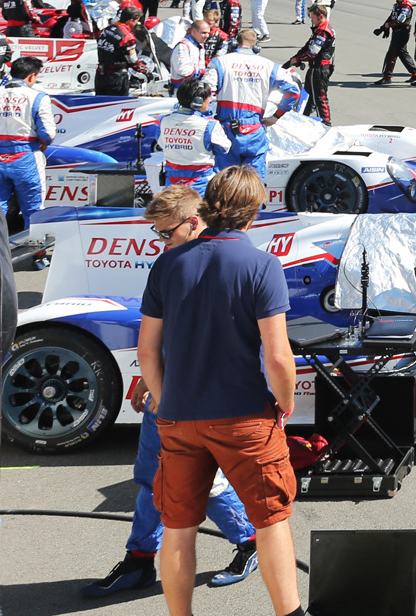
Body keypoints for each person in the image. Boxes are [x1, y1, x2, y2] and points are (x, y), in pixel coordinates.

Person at [136, 167, 300, 616]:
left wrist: (165, 401)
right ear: (254, 211)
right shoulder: (262, 265)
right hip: (244, 414)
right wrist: (285, 403)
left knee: (178, 526)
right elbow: (278, 357)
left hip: (180, 416)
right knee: (270, 520)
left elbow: (147, 352)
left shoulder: (168, 263)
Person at [81, 187, 260, 597]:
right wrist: (151, 376)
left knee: (199, 481)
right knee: (151, 476)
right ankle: (140, 560)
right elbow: (166, 333)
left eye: (165, 232)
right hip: (171, 391)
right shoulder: (171, 263)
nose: (159, 241)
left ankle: (250, 540)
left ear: (193, 221)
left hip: (203, 399)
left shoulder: (227, 262)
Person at [0, 56, 57, 222]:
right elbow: (48, 134)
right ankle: (34, 245)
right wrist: (42, 144)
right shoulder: (38, 97)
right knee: (34, 209)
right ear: (32, 76)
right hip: (27, 157)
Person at [203, 31, 301, 183]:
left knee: (224, 183)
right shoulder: (270, 66)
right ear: (256, 46)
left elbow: (205, 90)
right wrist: (276, 116)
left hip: (226, 130)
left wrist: (207, 118)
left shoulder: (220, 62)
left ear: (235, 43)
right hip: (254, 130)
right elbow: (293, 92)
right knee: (253, 185)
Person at [281, 7, 334, 124]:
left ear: (320, 16)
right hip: (315, 68)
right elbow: (307, 47)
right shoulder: (319, 29)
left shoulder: (323, 31)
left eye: (312, 18)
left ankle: (326, 123)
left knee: (320, 98)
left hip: (320, 69)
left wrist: (298, 59)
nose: (311, 20)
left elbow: (312, 52)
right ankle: (302, 119)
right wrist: (293, 59)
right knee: (308, 97)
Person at [372, 0, 416, 85]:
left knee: (391, 54)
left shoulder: (406, 6)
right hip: (396, 32)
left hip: (402, 32)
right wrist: (383, 28)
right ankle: (415, 73)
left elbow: (400, 20)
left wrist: (389, 25)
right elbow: (392, 16)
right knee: (402, 53)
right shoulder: (396, 4)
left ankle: (387, 76)